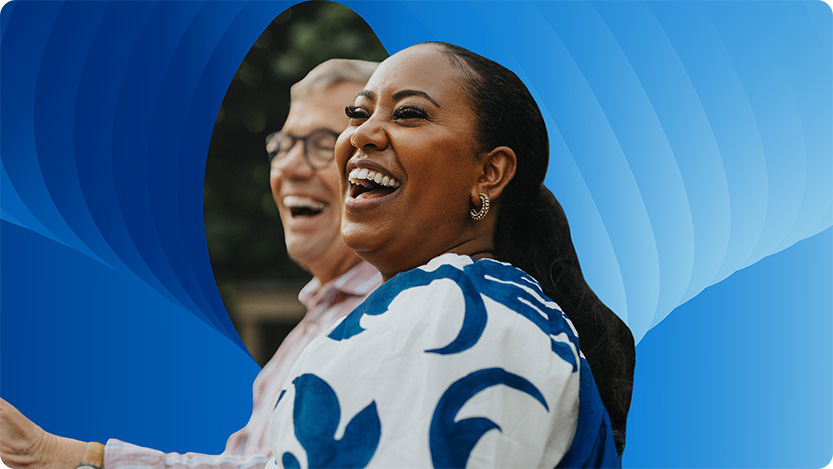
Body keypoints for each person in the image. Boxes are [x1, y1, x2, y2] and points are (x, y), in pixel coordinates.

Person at [0, 58, 381, 469]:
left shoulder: (390, 313)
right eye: (282, 145)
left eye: (325, 143)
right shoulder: (312, 325)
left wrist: (68, 458)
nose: (288, 167)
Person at [267, 43, 635, 468]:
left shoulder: (462, 314)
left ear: (489, 173)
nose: (360, 134)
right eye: (359, 114)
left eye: (408, 114)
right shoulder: (464, 302)